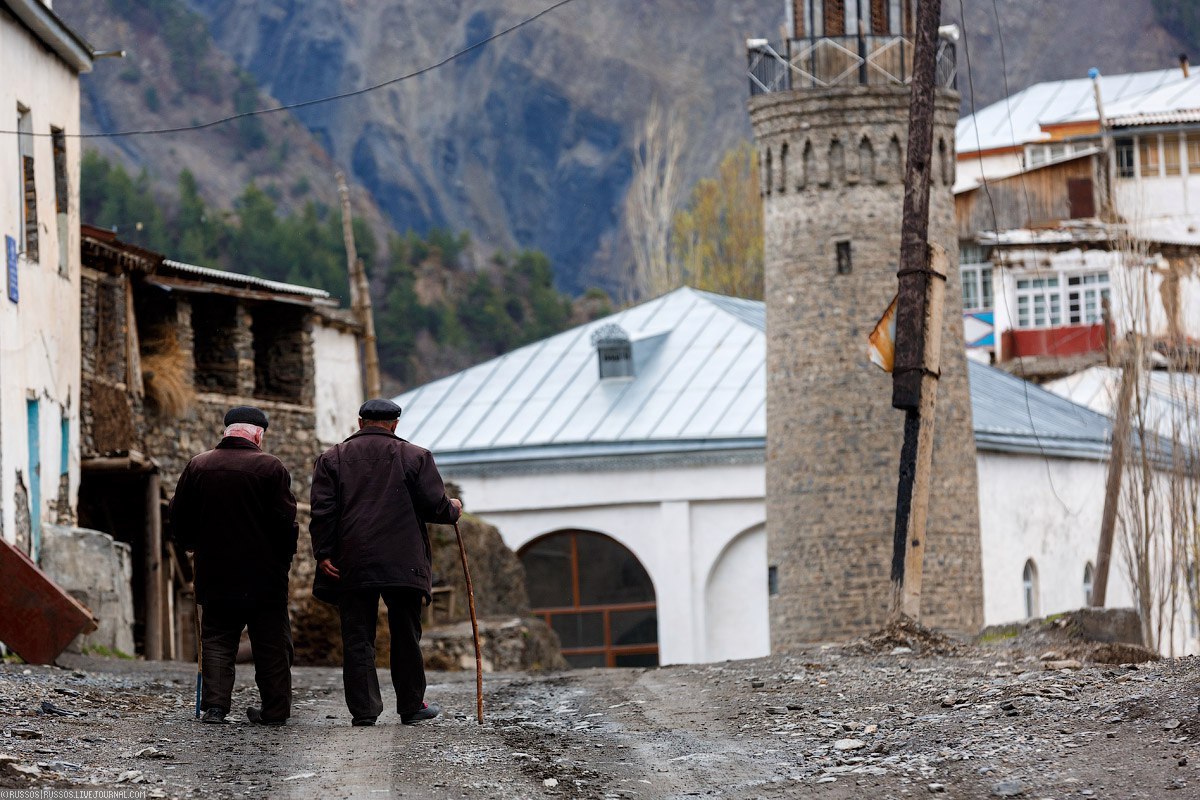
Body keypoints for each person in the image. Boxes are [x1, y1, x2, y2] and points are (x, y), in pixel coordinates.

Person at [310, 398, 462, 727]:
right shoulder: (416, 456)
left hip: (352, 560)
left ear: (360, 421)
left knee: (357, 636)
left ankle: (364, 711)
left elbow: (322, 512)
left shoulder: (331, 458)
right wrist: (454, 508)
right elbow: (436, 508)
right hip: (403, 562)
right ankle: (411, 706)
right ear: (395, 424)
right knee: (406, 633)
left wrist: (323, 553)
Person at [171, 406, 298, 726]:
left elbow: (178, 515)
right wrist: (285, 560)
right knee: (271, 645)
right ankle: (275, 711)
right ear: (258, 434)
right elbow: (286, 522)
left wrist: (189, 545)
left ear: (227, 431)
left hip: (215, 572)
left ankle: (214, 708)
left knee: (216, 639)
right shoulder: (271, 468)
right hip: (264, 577)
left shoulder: (198, 465)